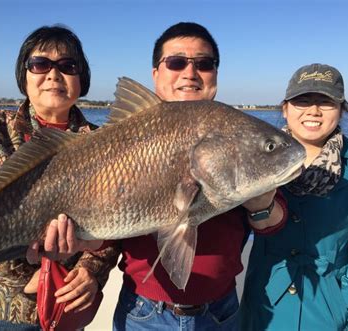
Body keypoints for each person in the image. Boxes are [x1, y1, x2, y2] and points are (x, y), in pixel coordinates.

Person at [76, 22, 289, 331]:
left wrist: (262, 202)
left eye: (204, 64)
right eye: (176, 62)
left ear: (215, 74)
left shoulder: (232, 127)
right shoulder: (118, 137)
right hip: (142, 312)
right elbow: (102, 235)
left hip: (221, 312)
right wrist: (81, 245)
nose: (190, 72)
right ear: (155, 74)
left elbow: (275, 221)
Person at [0, 25, 103, 330]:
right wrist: (28, 276)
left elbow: (118, 226)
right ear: (23, 75)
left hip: (67, 309)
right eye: (40, 64)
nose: (53, 74)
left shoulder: (104, 141)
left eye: (68, 66)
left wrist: (90, 269)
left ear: (83, 79)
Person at [238, 63, 348, 331]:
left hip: (327, 309)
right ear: (285, 108)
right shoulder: (253, 159)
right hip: (264, 304)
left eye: (326, 102)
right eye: (302, 101)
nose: (313, 111)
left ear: (341, 110)